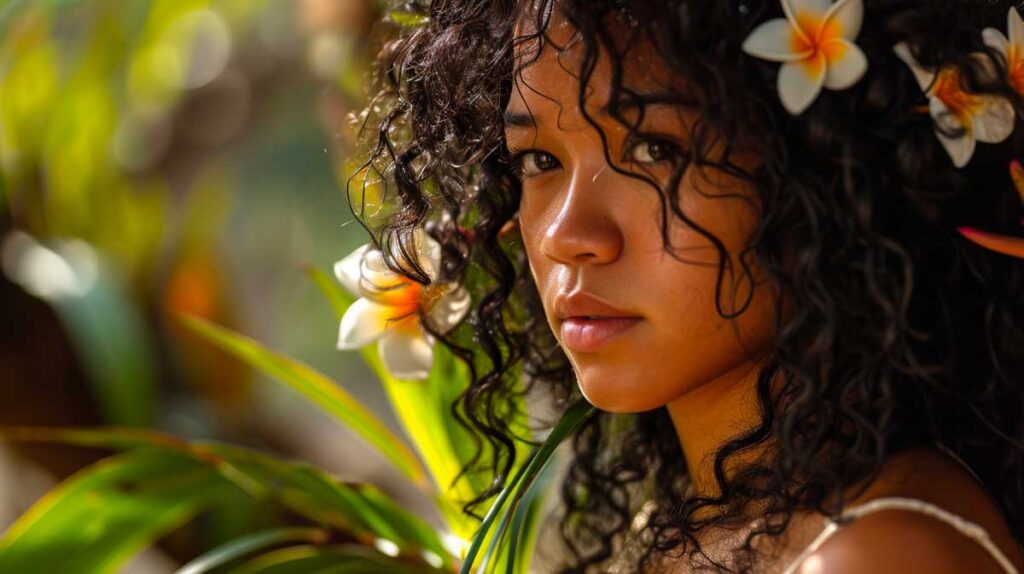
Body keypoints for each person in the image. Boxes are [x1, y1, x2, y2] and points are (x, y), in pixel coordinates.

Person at [346, 0, 1024, 571]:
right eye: (540, 159)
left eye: (654, 151)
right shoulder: (700, 526)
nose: (564, 232)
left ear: (830, 173)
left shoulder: (878, 554)